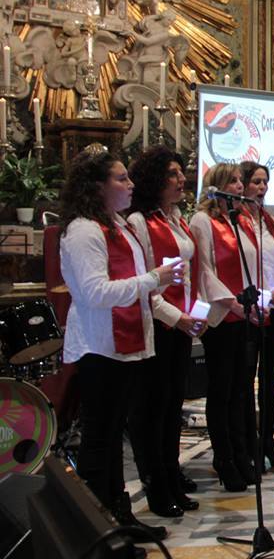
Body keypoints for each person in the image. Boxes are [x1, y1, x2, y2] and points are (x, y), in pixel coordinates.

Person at [60, 150, 179, 539]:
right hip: (100, 345)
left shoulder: (118, 225)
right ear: (97, 186)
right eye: (121, 178)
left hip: (126, 343)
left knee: (113, 440)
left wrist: (154, 283)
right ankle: (98, 527)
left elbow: (134, 278)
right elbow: (95, 292)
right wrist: (151, 279)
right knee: (100, 439)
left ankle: (118, 513)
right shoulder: (83, 230)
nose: (130, 185)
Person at [127, 146, 205, 517]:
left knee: (174, 405)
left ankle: (172, 472)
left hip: (181, 324)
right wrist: (178, 317)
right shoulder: (141, 222)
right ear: (154, 180)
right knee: (154, 409)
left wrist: (195, 313)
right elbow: (146, 286)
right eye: (172, 174)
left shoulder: (177, 218)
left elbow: (188, 274)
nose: (180, 180)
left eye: (180, 173)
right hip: (158, 324)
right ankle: (157, 484)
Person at [189, 163, 260, 492]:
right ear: (216, 186)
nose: (239, 186)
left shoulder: (241, 219)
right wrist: (231, 301)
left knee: (242, 390)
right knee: (222, 390)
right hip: (222, 315)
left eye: (238, 181)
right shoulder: (203, 220)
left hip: (244, 313)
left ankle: (242, 452)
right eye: (232, 181)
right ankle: (224, 457)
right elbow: (204, 268)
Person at [237, 162, 274, 471]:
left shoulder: (270, 222)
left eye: (265, 182)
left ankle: (267, 441)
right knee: (246, 382)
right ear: (243, 186)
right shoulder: (237, 222)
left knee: (269, 381)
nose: (261, 187)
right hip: (250, 311)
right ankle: (248, 443)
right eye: (256, 182)